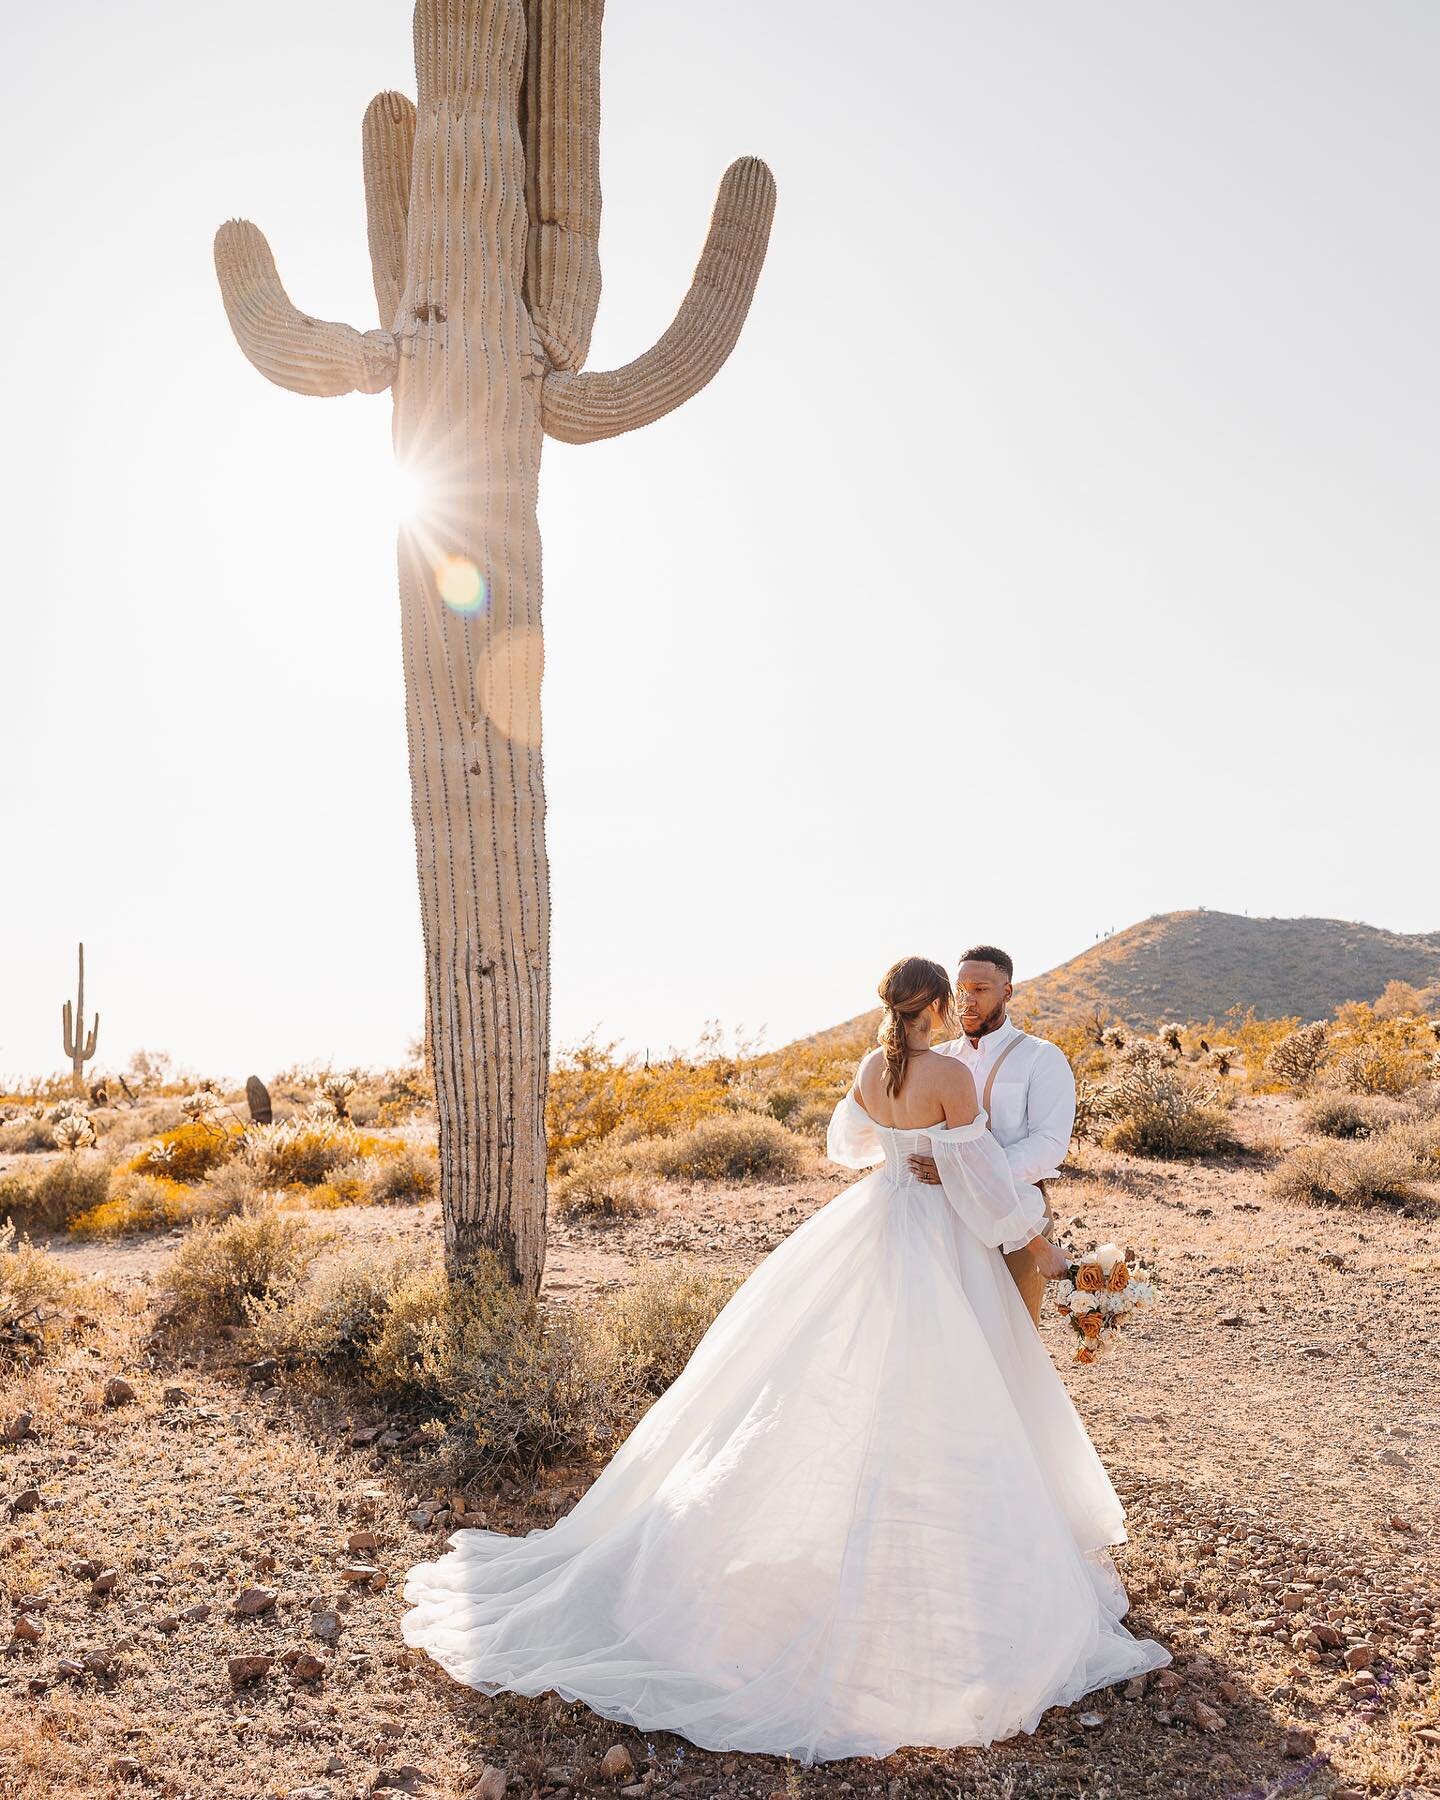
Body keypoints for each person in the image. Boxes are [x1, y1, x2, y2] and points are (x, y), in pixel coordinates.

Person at [399, 956, 1170, 1763]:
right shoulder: (952, 1076)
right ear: (938, 1005)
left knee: (839, 1377)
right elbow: (980, 1188)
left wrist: (913, 1155)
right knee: (953, 1392)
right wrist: (1045, 1253)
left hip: (874, 1222)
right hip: (936, 1239)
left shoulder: (875, 1067)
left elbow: (851, 1142)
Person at [907, 945, 1076, 1326]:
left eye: (980, 989)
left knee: (1014, 1333)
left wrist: (964, 1171)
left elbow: (1050, 1145)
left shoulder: (1041, 1057)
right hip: (944, 1212)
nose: (967, 1000)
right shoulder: (939, 1058)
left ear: (1007, 992)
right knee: (953, 1333)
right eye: (961, 989)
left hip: (1018, 1213)